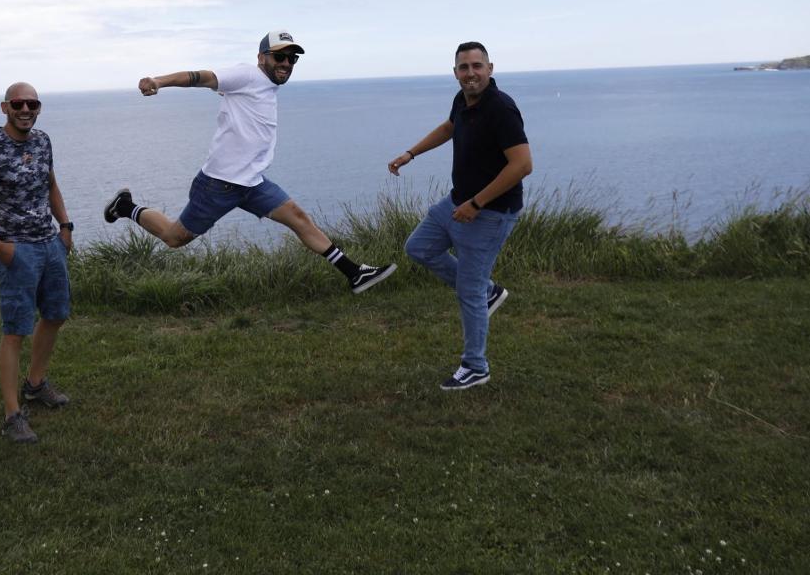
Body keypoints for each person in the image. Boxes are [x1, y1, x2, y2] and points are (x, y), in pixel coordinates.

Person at [104, 30, 396, 294]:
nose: (286, 63)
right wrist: (158, 81)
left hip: (252, 182)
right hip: (219, 184)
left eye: (292, 59)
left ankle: (354, 273)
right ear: (261, 58)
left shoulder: (266, 86)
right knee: (174, 237)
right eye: (279, 56)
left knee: (298, 217)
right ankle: (126, 207)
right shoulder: (246, 75)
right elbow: (200, 76)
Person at [388, 42, 533, 391]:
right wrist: (411, 153)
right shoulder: (462, 101)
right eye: (464, 67)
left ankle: (475, 366)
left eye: (477, 66)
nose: (471, 73)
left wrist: (477, 204)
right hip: (457, 201)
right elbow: (449, 127)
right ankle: (487, 291)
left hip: (491, 212)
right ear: (455, 73)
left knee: (467, 291)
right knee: (418, 248)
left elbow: (522, 165)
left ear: (490, 68)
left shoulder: (501, 108)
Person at [0, 82, 74, 445]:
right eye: (18, 104)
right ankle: (12, 414)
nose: (26, 109)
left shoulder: (42, 141)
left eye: (32, 104)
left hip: (50, 244)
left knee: (55, 315)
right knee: (15, 330)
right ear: (5, 107)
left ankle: (35, 385)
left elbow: (50, 184)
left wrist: (64, 226)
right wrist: (1, 248)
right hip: (16, 251)